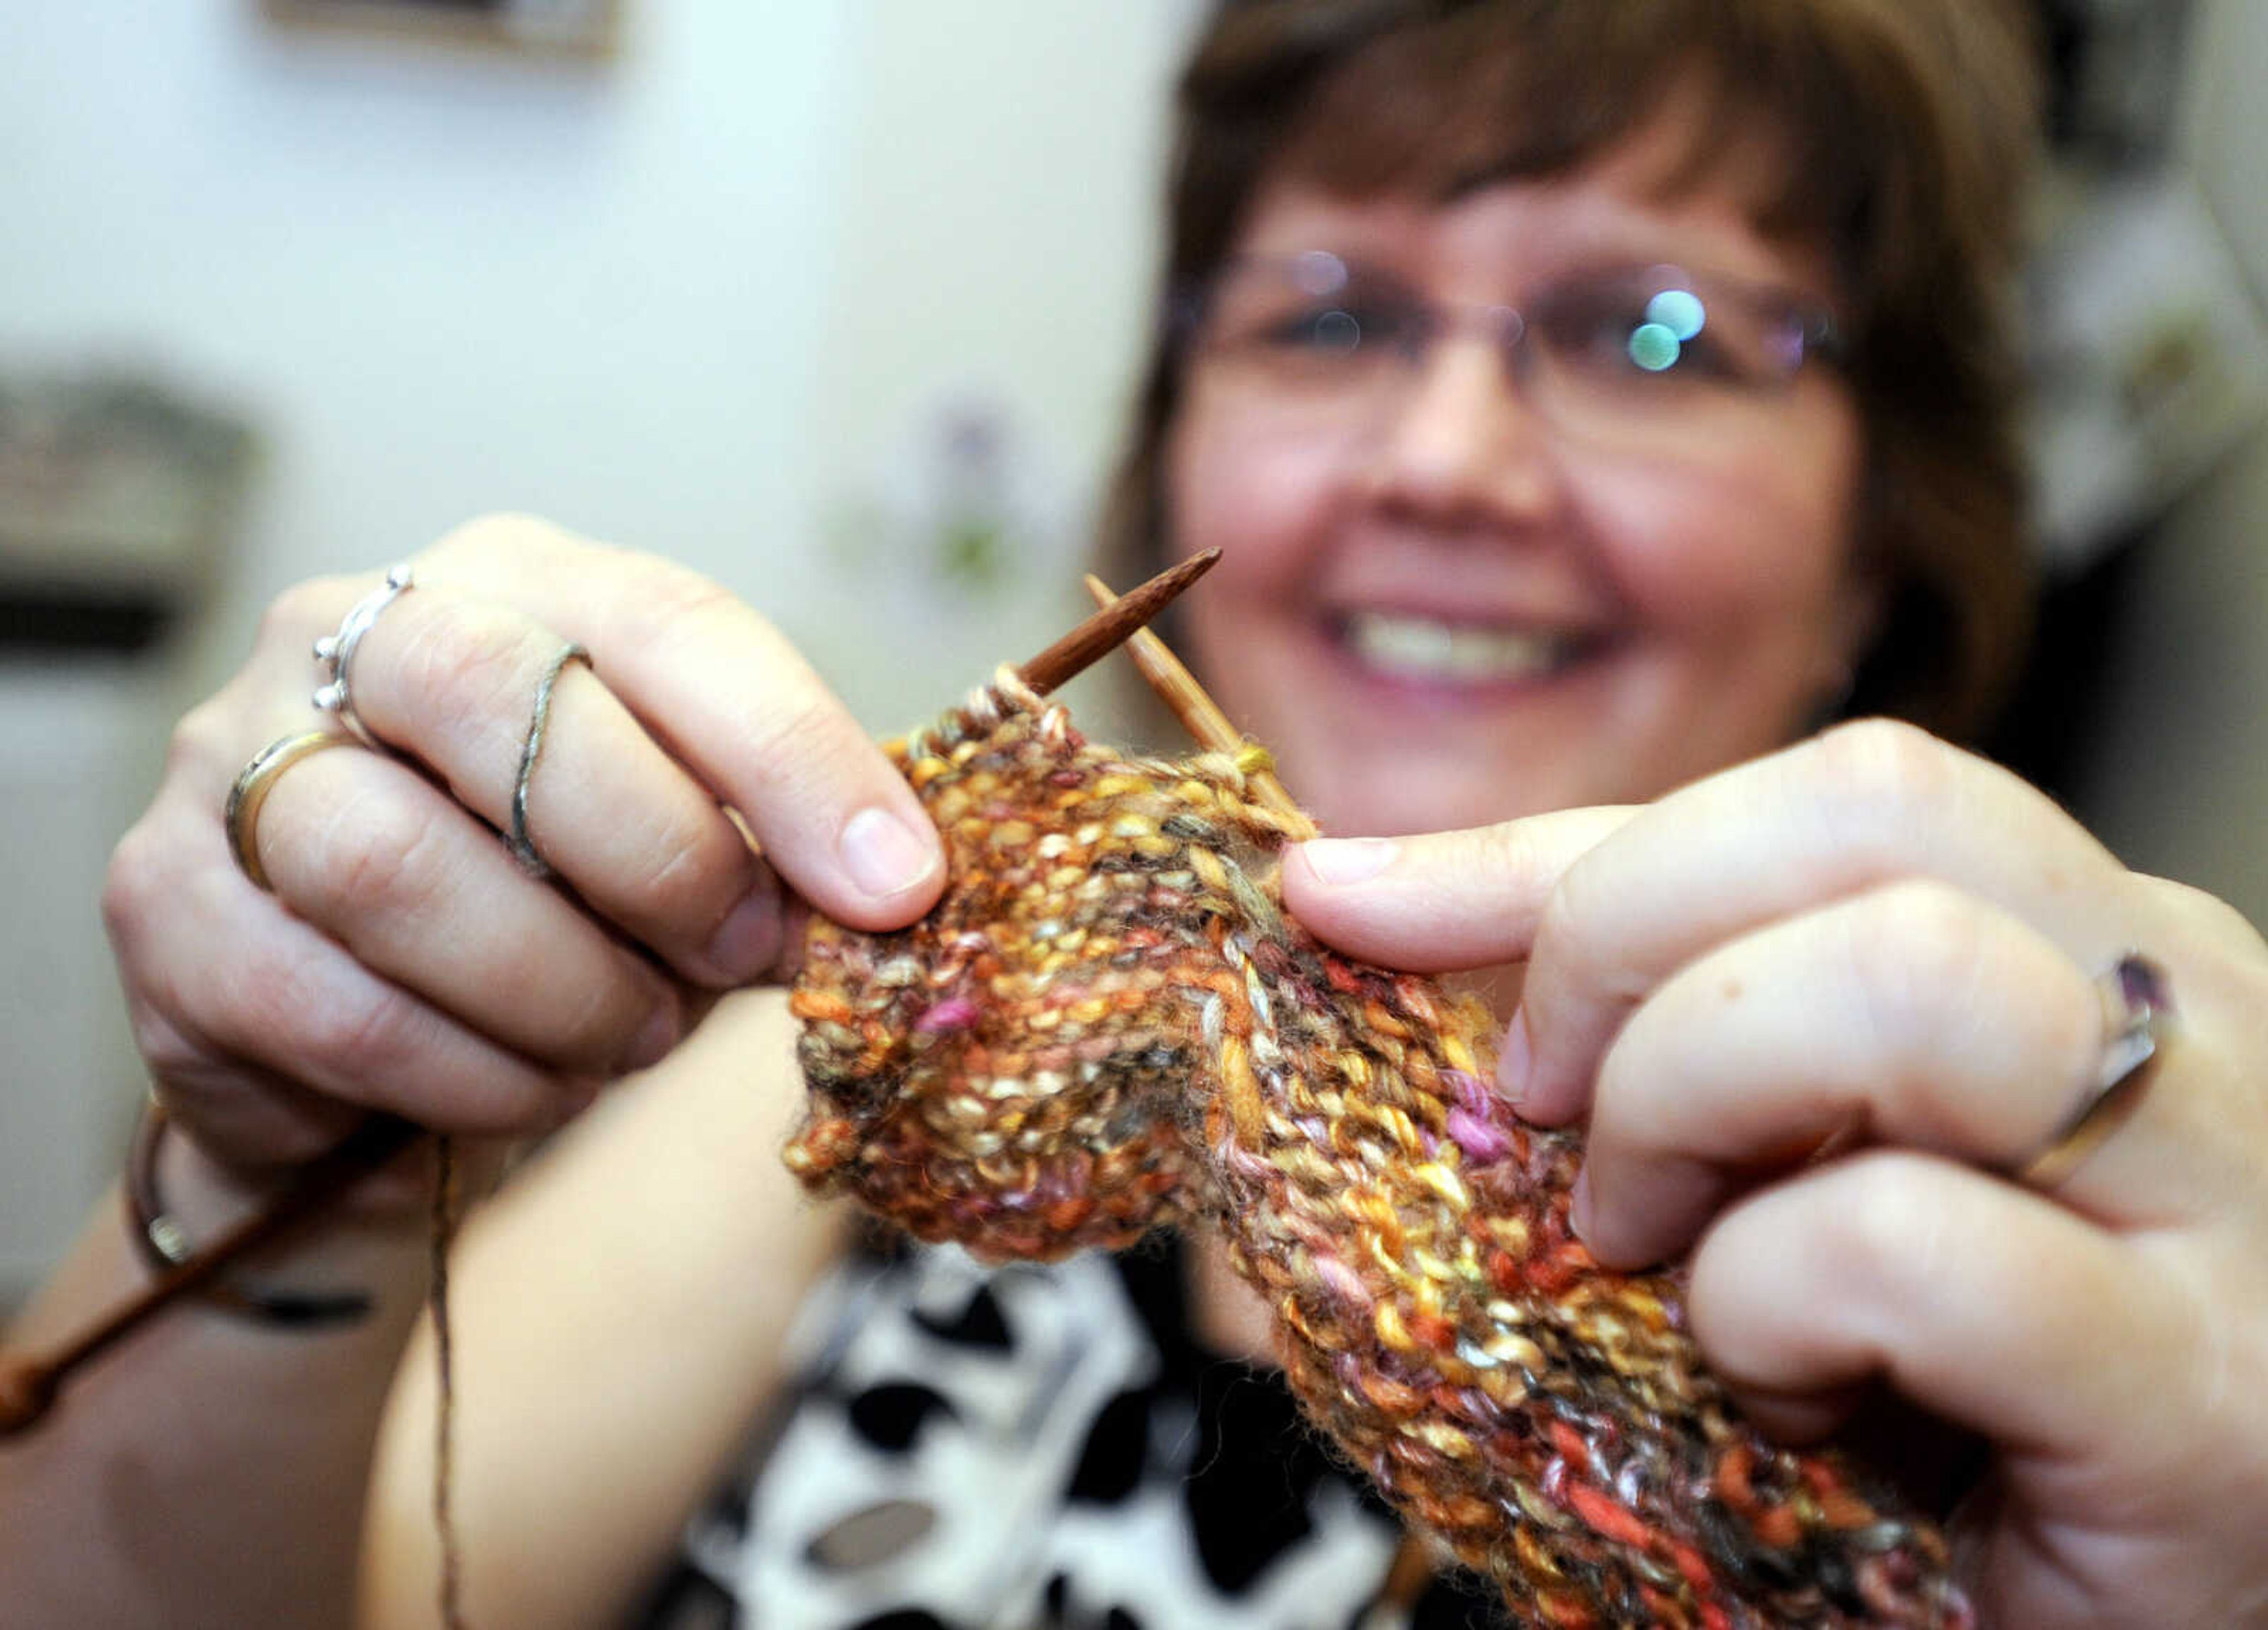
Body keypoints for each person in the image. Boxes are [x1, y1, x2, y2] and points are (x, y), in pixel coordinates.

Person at [4, 1, 2266, 1625]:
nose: (1450, 462)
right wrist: (258, 1167)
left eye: (1653, 335)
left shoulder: (2003, 1374)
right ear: (1178, 445)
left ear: (1884, 539)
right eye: (1331, 319)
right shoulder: (907, 1067)